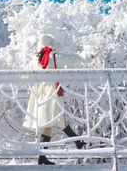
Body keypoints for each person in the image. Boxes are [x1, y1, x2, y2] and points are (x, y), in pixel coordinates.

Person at [24, 33, 87, 165]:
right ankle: (76, 142)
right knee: (54, 121)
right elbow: (72, 58)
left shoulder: (35, 59)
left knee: (56, 121)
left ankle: (77, 142)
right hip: (51, 93)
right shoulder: (52, 56)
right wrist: (88, 56)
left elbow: (25, 74)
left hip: (40, 94)